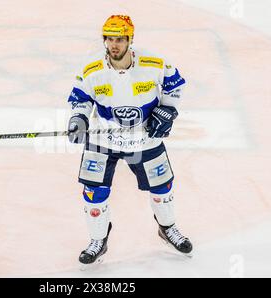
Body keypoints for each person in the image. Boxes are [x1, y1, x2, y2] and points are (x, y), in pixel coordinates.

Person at [67, 15, 193, 265]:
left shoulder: (154, 63)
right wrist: (78, 119)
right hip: (104, 140)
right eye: (110, 39)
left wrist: (167, 110)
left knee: (162, 188)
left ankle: (167, 228)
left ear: (130, 40)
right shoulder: (92, 70)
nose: (114, 45)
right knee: (93, 193)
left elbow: (175, 85)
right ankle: (97, 240)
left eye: (120, 39)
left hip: (144, 139)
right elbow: (80, 99)